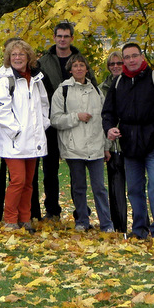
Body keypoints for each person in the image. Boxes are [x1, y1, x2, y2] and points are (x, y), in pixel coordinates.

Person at [101, 43, 154, 240]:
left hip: (152, 143)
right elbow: (108, 112)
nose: (130, 60)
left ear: (142, 56)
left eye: (134, 56)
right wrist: (109, 128)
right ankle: (139, 230)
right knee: (134, 189)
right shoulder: (118, 83)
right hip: (129, 143)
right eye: (127, 57)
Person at [38, 22, 96, 221]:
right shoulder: (43, 62)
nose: (62, 39)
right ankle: (52, 210)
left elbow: (92, 88)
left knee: (77, 170)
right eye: (59, 36)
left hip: (77, 124)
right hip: (52, 122)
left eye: (66, 36)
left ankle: (81, 211)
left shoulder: (80, 61)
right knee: (50, 169)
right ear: (54, 37)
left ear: (72, 38)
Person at [0, 39, 50, 232]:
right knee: (17, 180)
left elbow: (43, 105)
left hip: (32, 140)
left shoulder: (36, 79)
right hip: (14, 141)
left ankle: (25, 219)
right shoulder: (5, 81)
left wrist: (43, 124)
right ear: (9, 58)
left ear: (28, 57)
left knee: (28, 182)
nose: (17, 58)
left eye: (21, 54)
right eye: (14, 55)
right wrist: (16, 130)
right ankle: (10, 220)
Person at [51, 54, 114, 232]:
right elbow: (55, 119)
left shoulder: (96, 90)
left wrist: (106, 147)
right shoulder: (62, 90)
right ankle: (82, 221)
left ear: (87, 69)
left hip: (95, 146)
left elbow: (104, 120)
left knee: (99, 188)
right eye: (75, 66)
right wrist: (76, 117)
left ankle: (106, 223)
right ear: (70, 70)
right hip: (74, 147)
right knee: (78, 187)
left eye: (82, 65)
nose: (79, 68)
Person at [99, 51, 127, 234]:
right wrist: (105, 146)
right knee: (115, 187)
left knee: (136, 187)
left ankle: (143, 224)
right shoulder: (101, 89)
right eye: (112, 64)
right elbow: (101, 119)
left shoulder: (132, 84)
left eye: (119, 63)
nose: (116, 66)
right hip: (112, 145)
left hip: (133, 144)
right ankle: (119, 226)